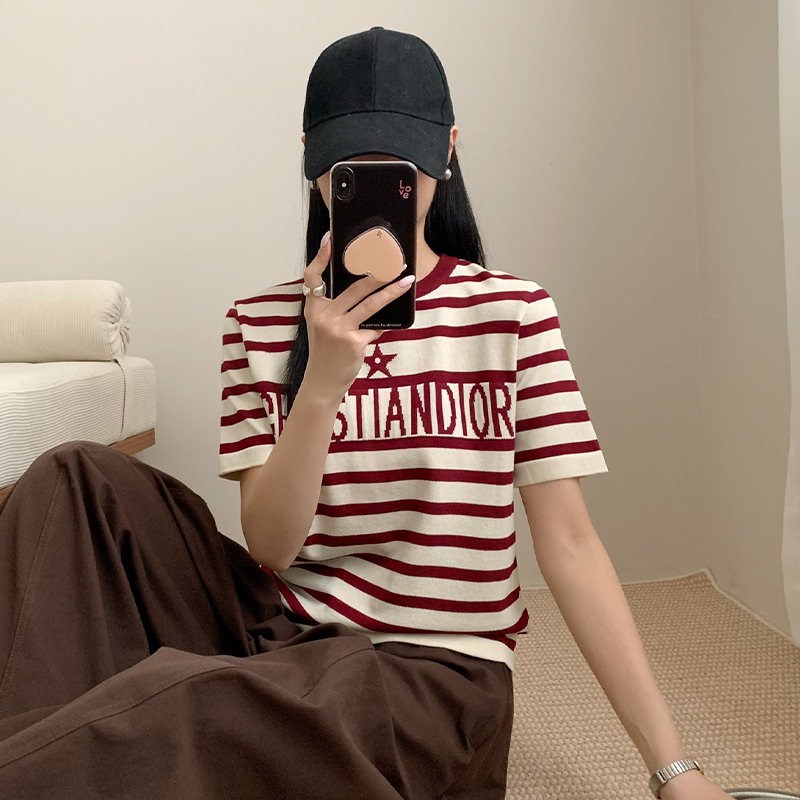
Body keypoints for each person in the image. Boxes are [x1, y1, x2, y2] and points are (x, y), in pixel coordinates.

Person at [0, 26, 612, 800]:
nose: (381, 188)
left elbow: (572, 545)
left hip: (428, 678)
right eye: (350, 169)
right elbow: (272, 546)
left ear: (446, 154)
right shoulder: (257, 321)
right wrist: (320, 385)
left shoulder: (512, 315)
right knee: (77, 478)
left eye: (402, 168)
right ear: (313, 164)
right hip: (281, 633)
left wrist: (672, 770)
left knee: (191, 704)